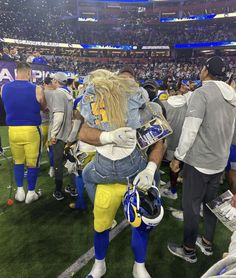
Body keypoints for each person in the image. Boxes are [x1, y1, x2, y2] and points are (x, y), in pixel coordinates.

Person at [79, 69, 166, 278]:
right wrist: (108, 136)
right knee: (100, 225)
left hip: (136, 175)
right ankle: (99, 264)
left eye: (129, 82)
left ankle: (139, 265)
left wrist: (151, 169)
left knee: (141, 223)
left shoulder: (148, 108)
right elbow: (83, 133)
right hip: (105, 178)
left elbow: (158, 143)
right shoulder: (99, 103)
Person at [168, 56, 236, 263]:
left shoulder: (202, 92)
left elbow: (190, 129)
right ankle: (206, 242)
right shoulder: (232, 94)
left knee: (190, 207)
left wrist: (178, 157)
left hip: (199, 162)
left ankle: (188, 249)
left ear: (206, 71)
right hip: (218, 161)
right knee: (210, 205)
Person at [1, 62, 46, 204]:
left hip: (13, 131)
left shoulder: (4, 87)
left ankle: (20, 191)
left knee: (18, 162)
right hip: (31, 130)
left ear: (16, 73)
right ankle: (31, 192)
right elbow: (44, 107)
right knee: (33, 163)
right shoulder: (36, 88)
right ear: (28, 73)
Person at [48, 72, 74, 200]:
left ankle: (58, 190)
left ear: (56, 81)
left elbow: (59, 116)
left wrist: (53, 134)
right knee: (71, 161)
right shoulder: (68, 92)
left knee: (58, 163)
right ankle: (73, 187)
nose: (52, 81)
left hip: (60, 135)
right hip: (69, 134)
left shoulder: (58, 93)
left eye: (53, 79)